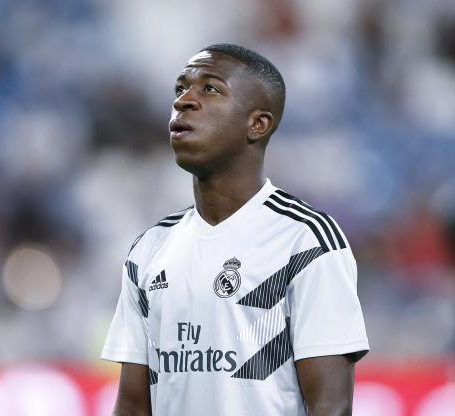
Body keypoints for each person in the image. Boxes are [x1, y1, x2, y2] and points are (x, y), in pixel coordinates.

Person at [101, 43, 369, 416]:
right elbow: (132, 407)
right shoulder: (149, 249)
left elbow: (331, 406)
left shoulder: (305, 240)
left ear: (258, 124)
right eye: (180, 88)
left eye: (210, 89)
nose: (183, 101)